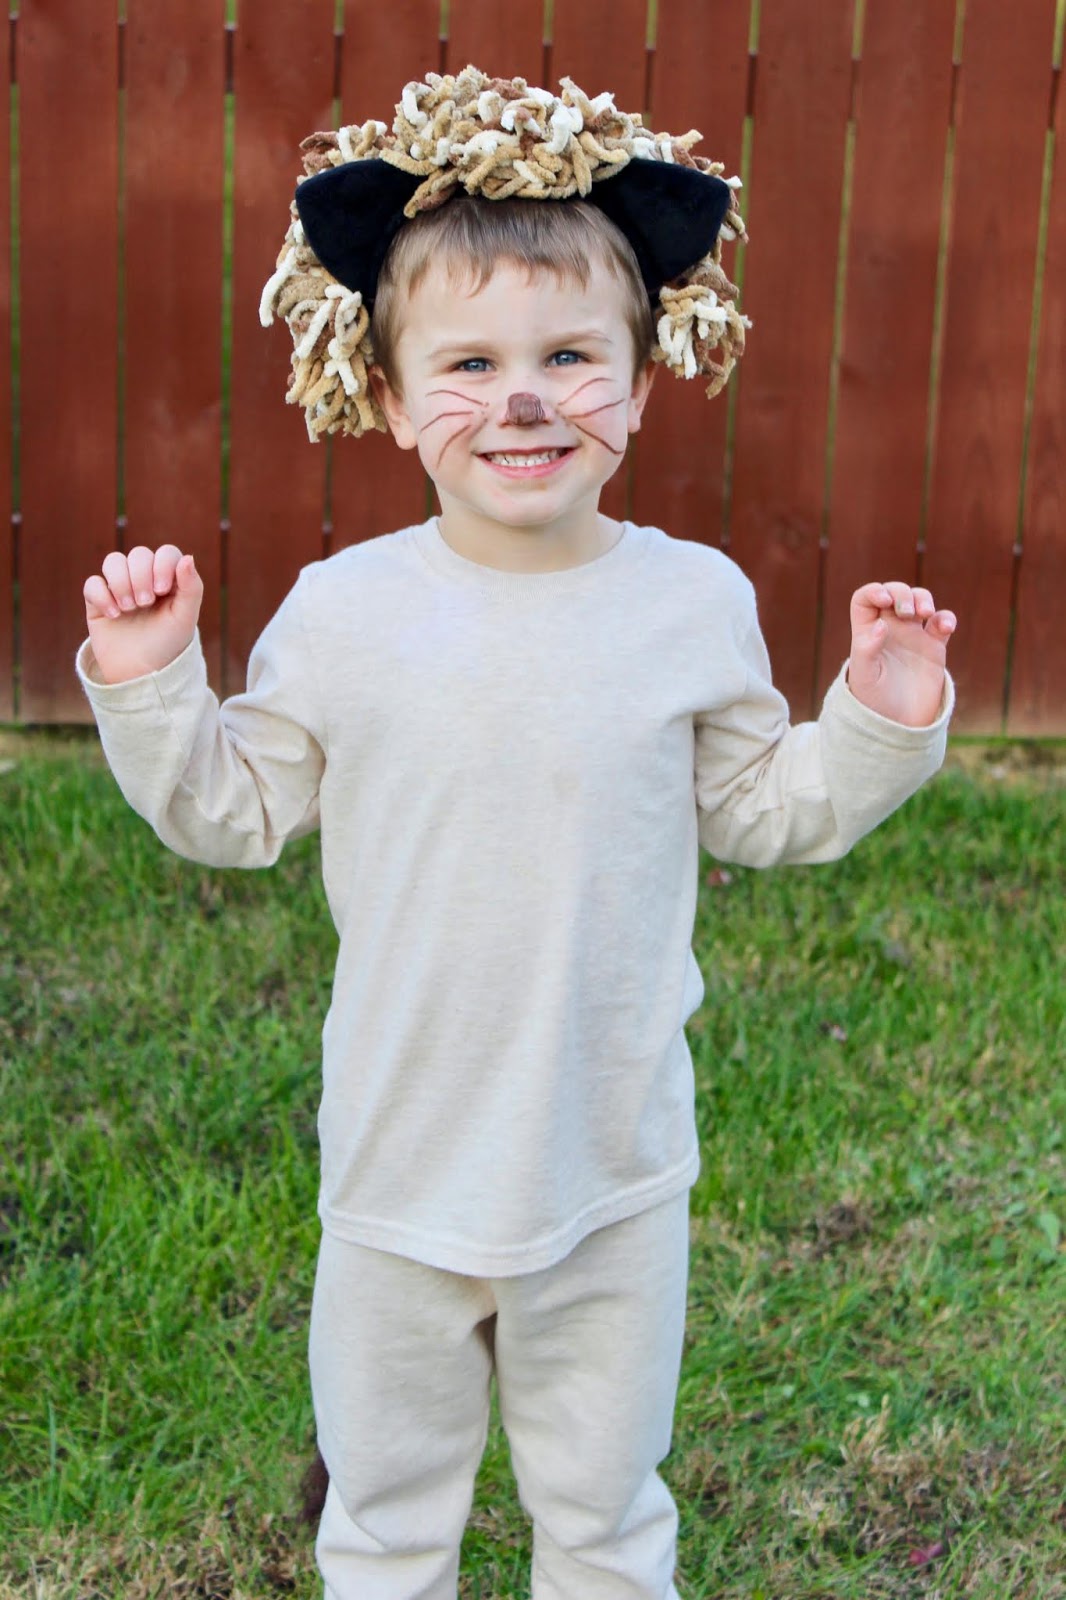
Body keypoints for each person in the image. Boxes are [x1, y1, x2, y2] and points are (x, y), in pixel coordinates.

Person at [76, 68, 957, 1600]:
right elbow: (234, 814)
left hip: (610, 1165)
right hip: (400, 1168)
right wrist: (155, 689)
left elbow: (765, 815)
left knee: (605, 1511)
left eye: (569, 354)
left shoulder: (688, 605)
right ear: (396, 395)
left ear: (640, 370)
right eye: (469, 363)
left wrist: (875, 712)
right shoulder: (345, 615)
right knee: (387, 1511)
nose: (525, 397)